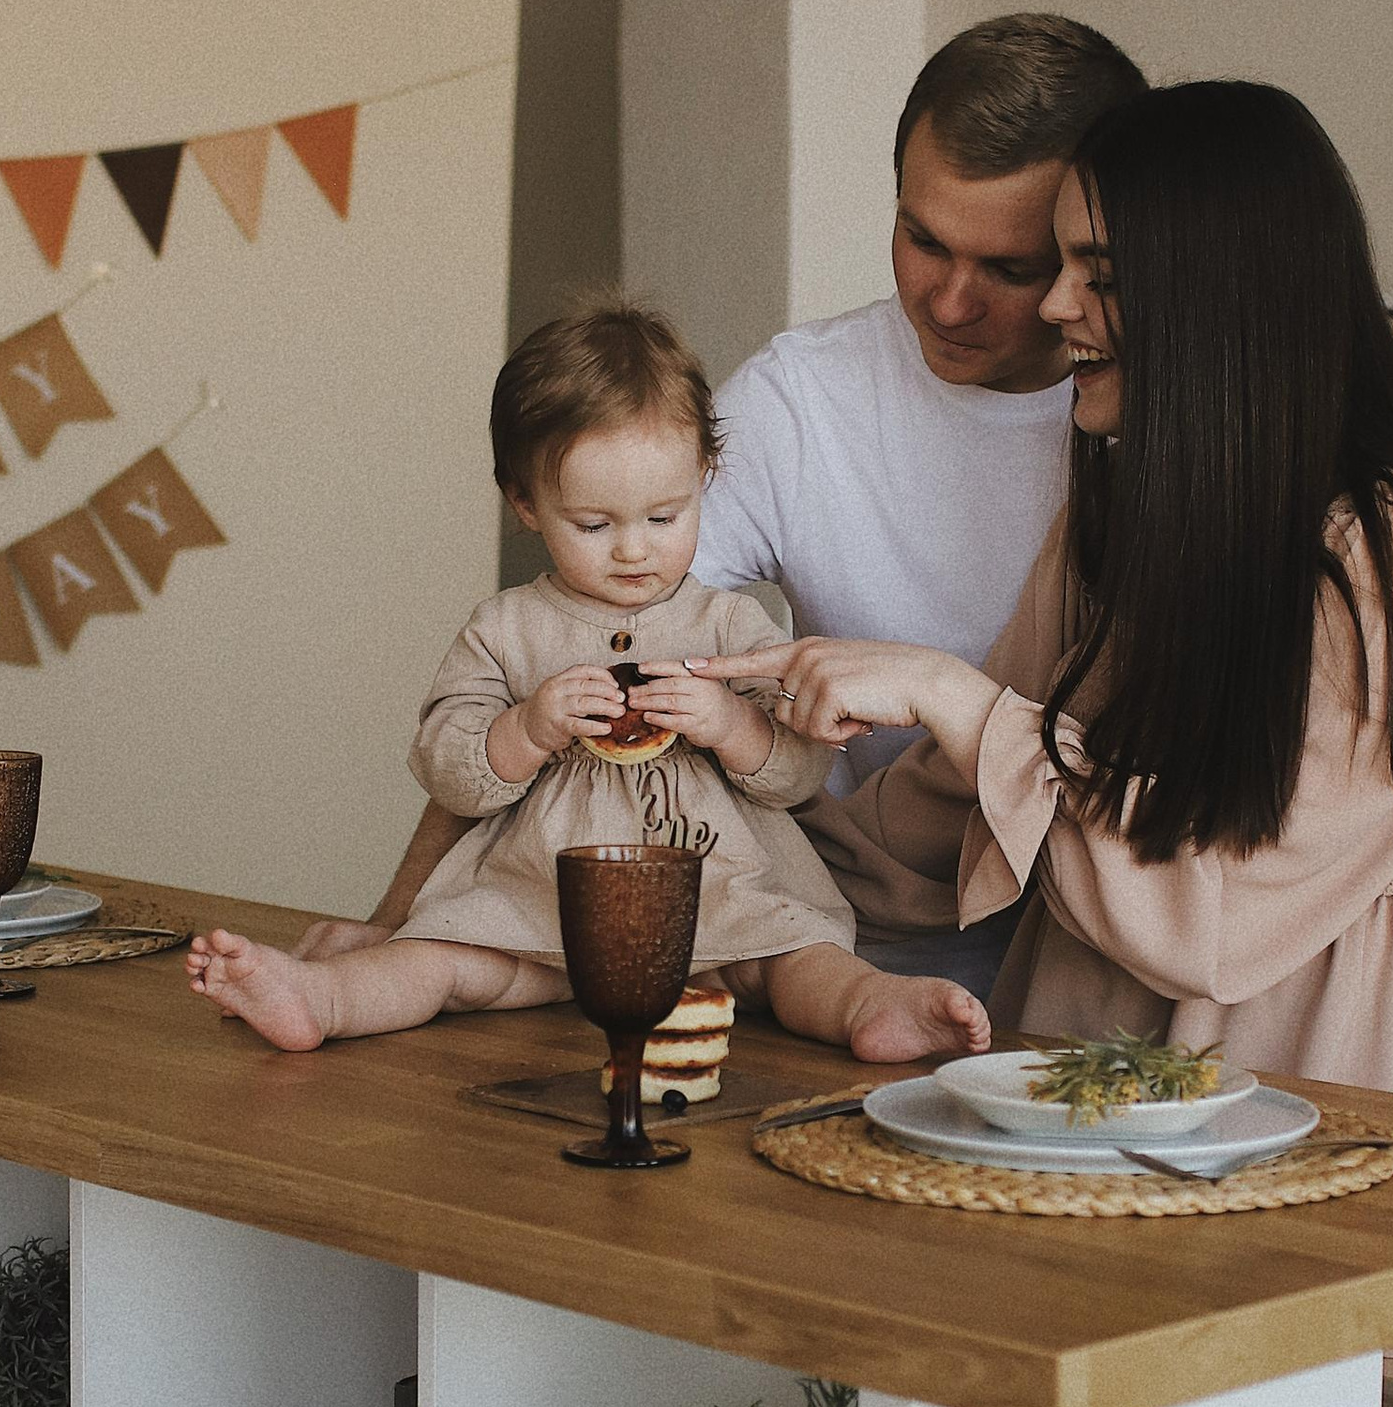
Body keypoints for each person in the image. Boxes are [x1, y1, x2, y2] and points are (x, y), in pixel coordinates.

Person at [709, 80, 1393, 1407]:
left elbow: (1217, 918)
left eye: (1097, 273)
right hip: (1083, 1099)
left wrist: (960, 701)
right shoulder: (1134, 508)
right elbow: (942, 824)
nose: (1057, 314)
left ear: (1216, 291)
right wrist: (711, 884)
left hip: (1331, 1103)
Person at [327, 13, 1145, 993]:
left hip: (1090, 956)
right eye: (922, 240)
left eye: (1009, 269)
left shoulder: (1158, 429)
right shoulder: (802, 400)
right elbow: (588, 646)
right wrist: (394, 923)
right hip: (832, 951)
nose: (950, 301)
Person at [187, 303, 987, 1066]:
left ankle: (874, 1007)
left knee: (799, 961)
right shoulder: (503, 630)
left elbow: (796, 774)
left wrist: (725, 723)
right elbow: (444, 766)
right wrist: (527, 729)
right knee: (435, 960)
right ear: (526, 504)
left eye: (665, 517)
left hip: (721, 903)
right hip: (538, 907)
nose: (634, 551)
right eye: (595, 526)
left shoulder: (730, 627)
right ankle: (316, 1000)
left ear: (706, 476)